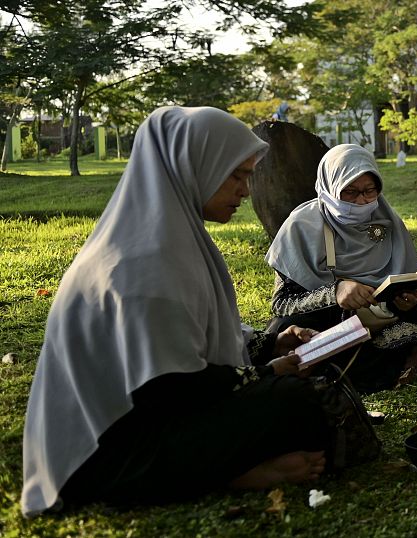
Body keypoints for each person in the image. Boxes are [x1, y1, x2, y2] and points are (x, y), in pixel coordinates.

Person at [21, 107, 332, 517]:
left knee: (297, 395)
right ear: (193, 168)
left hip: (149, 419)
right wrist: (268, 373)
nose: (245, 191)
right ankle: (230, 474)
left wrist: (268, 343)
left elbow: (189, 344)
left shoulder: (167, 237)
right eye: (236, 176)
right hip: (109, 453)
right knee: (293, 399)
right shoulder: (143, 263)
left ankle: (229, 466)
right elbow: (168, 389)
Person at [266, 144, 417, 392]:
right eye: (349, 192)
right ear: (330, 187)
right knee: (285, 327)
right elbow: (282, 303)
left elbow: (407, 279)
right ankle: (380, 365)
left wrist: (411, 298)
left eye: (370, 191)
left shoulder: (386, 219)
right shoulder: (301, 227)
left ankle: (403, 363)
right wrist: (336, 292)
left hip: (385, 318)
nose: (361, 201)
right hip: (333, 323)